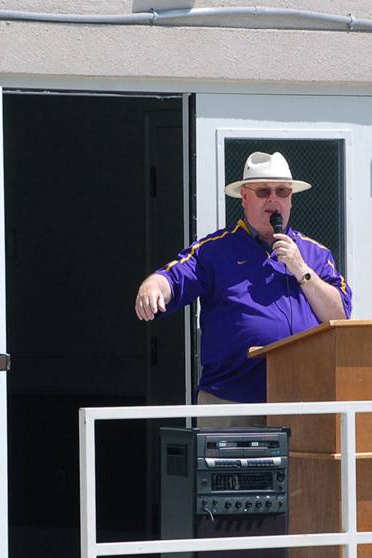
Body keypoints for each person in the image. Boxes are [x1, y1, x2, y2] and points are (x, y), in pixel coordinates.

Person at [134, 151, 352, 426]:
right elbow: (174, 277)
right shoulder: (216, 250)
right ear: (245, 198)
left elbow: (340, 315)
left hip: (303, 399)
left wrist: (302, 270)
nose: (273, 199)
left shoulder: (314, 254)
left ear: (291, 200)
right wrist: (153, 287)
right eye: (263, 191)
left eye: (282, 191)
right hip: (233, 402)